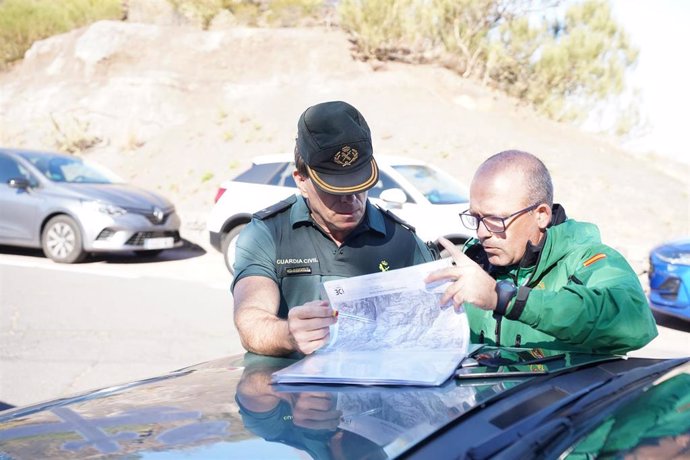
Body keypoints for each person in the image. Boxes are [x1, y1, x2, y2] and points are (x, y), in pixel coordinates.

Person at [232, 101, 434, 357]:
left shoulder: (402, 239)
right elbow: (250, 321)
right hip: (292, 392)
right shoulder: (267, 234)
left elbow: (432, 326)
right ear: (301, 181)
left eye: (359, 184)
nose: (350, 198)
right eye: (333, 188)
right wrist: (287, 335)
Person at [425, 149, 658, 354]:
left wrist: (504, 298)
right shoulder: (472, 263)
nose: (482, 232)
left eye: (496, 219)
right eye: (476, 217)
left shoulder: (588, 259)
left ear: (541, 215)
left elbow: (635, 321)